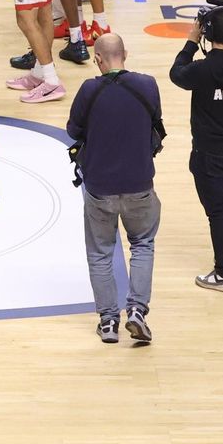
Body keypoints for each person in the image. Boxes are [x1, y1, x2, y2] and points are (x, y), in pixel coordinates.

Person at [66, 33, 162, 345]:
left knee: (100, 252)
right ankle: (136, 310)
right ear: (126, 54)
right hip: (139, 184)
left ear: (97, 59)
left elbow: (73, 130)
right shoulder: (148, 85)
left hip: (99, 188)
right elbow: (155, 122)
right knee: (143, 244)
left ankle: (108, 322)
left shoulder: (90, 89)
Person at [170, 5, 223, 293]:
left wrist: (191, 40)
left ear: (208, 33)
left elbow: (176, 73)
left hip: (210, 152)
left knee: (217, 210)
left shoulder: (203, 70)